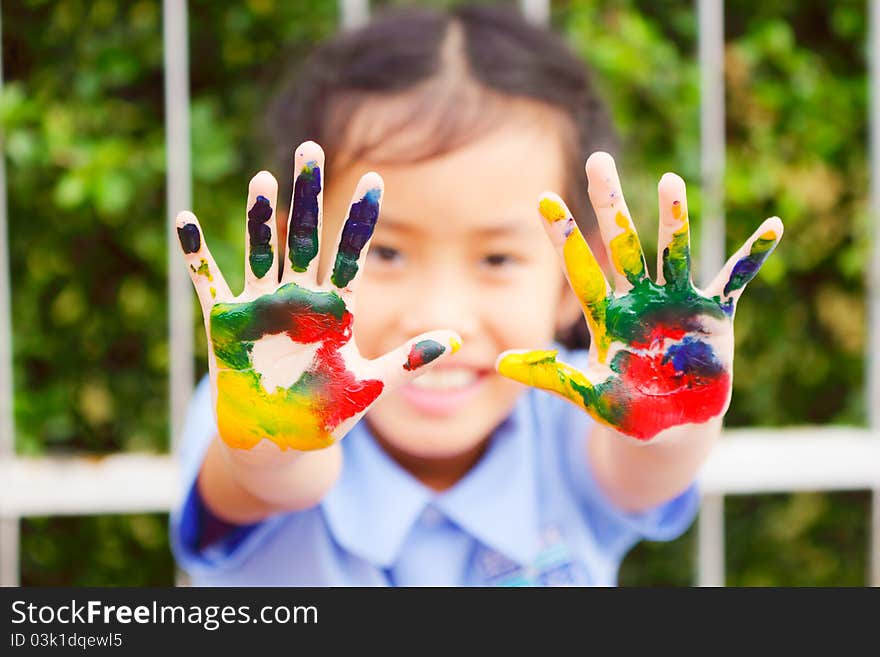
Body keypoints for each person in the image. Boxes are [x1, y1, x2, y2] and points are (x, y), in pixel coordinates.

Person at [169, 5, 782, 586]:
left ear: (579, 276)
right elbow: (273, 474)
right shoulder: (254, 398)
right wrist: (278, 433)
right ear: (293, 254)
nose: (442, 316)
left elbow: (646, 465)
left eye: (497, 259)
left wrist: (673, 403)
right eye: (383, 252)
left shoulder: (577, 411)